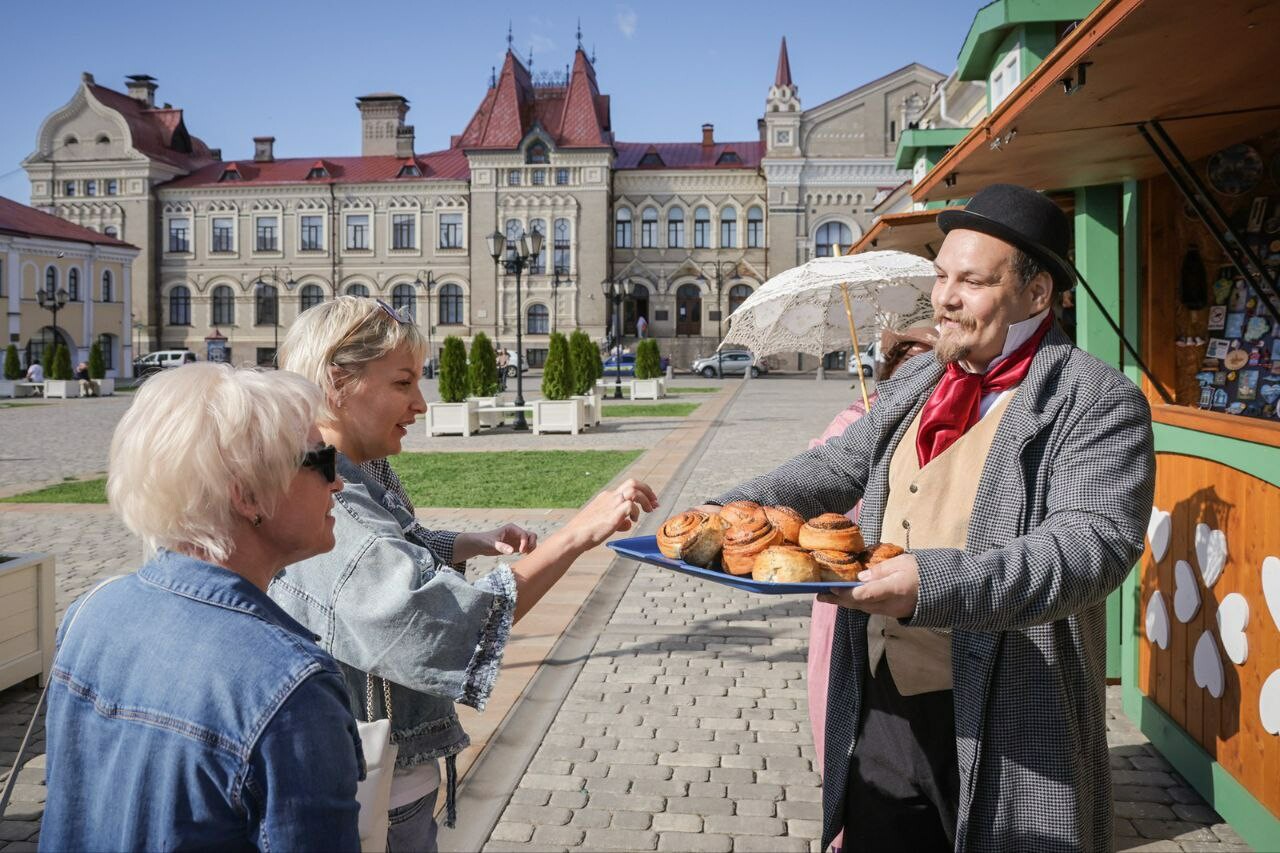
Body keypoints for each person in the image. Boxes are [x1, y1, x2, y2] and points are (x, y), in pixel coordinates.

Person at [705, 184, 1155, 852]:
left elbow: (1089, 548)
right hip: (889, 699)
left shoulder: (1097, 399)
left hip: (1015, 706)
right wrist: (723, 510)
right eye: (942, 275)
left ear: (1037, 294)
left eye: (971, 281)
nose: (943, 298)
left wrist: (928, 583)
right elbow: (834, 466)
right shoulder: (921, 378)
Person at [271, 297, 657, 850]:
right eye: (403, 383)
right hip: (375, 787)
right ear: (339, 380)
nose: (421, 404)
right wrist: (577, 535)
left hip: (392, 768)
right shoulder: (332, 500)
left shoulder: (355, 470)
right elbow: (446, 626)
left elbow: (390, 547)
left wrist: (459, 543)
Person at [41, 364, 361, 851]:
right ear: (247, 492)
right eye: (323, 461)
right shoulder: (291, 687)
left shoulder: (91, 612)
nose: (338, 483)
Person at [806, 323, 938, 771]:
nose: (922, 374)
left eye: (932, 365)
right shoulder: (855, 421)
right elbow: (821, 486)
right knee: (847, 703)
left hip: (923, 600)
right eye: (911, 363)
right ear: (892, 370)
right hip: (850, 587)